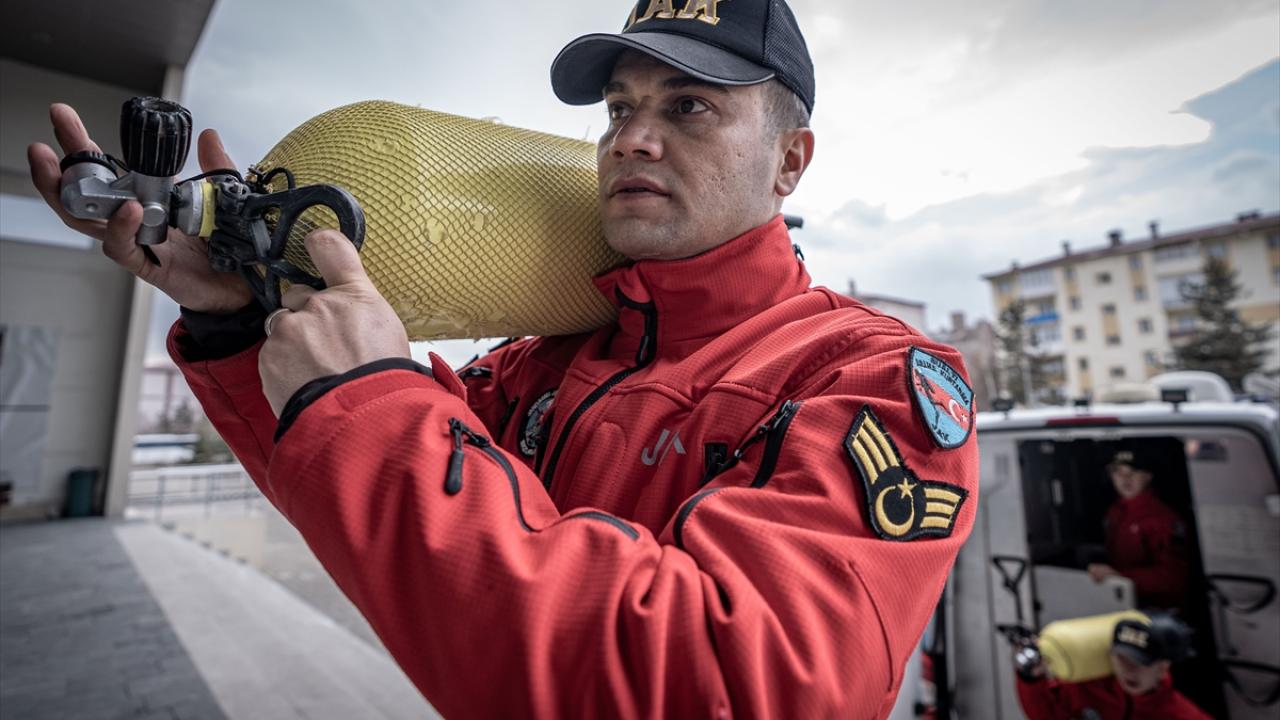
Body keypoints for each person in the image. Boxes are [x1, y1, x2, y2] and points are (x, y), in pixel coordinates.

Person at [28, 0, 979, 716]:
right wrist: (239, 320)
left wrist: (373, 400)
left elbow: (730, 684)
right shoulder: (544, 358)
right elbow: (371, 501)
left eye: (689, 107)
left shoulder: (866, 379)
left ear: (789, 162)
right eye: (617, 108)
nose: (629, 140)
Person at [1014, 614, 1210, 719]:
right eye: (1122, 657)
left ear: (1162, 667)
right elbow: (1046, 716)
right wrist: (1030, 679)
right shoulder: (1087, 688)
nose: (1128, 669)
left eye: (1140, 662)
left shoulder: (1180, 715)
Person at [1087, 448, 1188, 611]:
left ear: (1148, 476)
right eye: (1117, 472)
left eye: (1133, 471)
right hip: (1122, 602)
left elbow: (1174, 578)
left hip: (1158, 610)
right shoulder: (1114, 512)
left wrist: (1120, 576)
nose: (1125, 478)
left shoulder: (1162, 518)